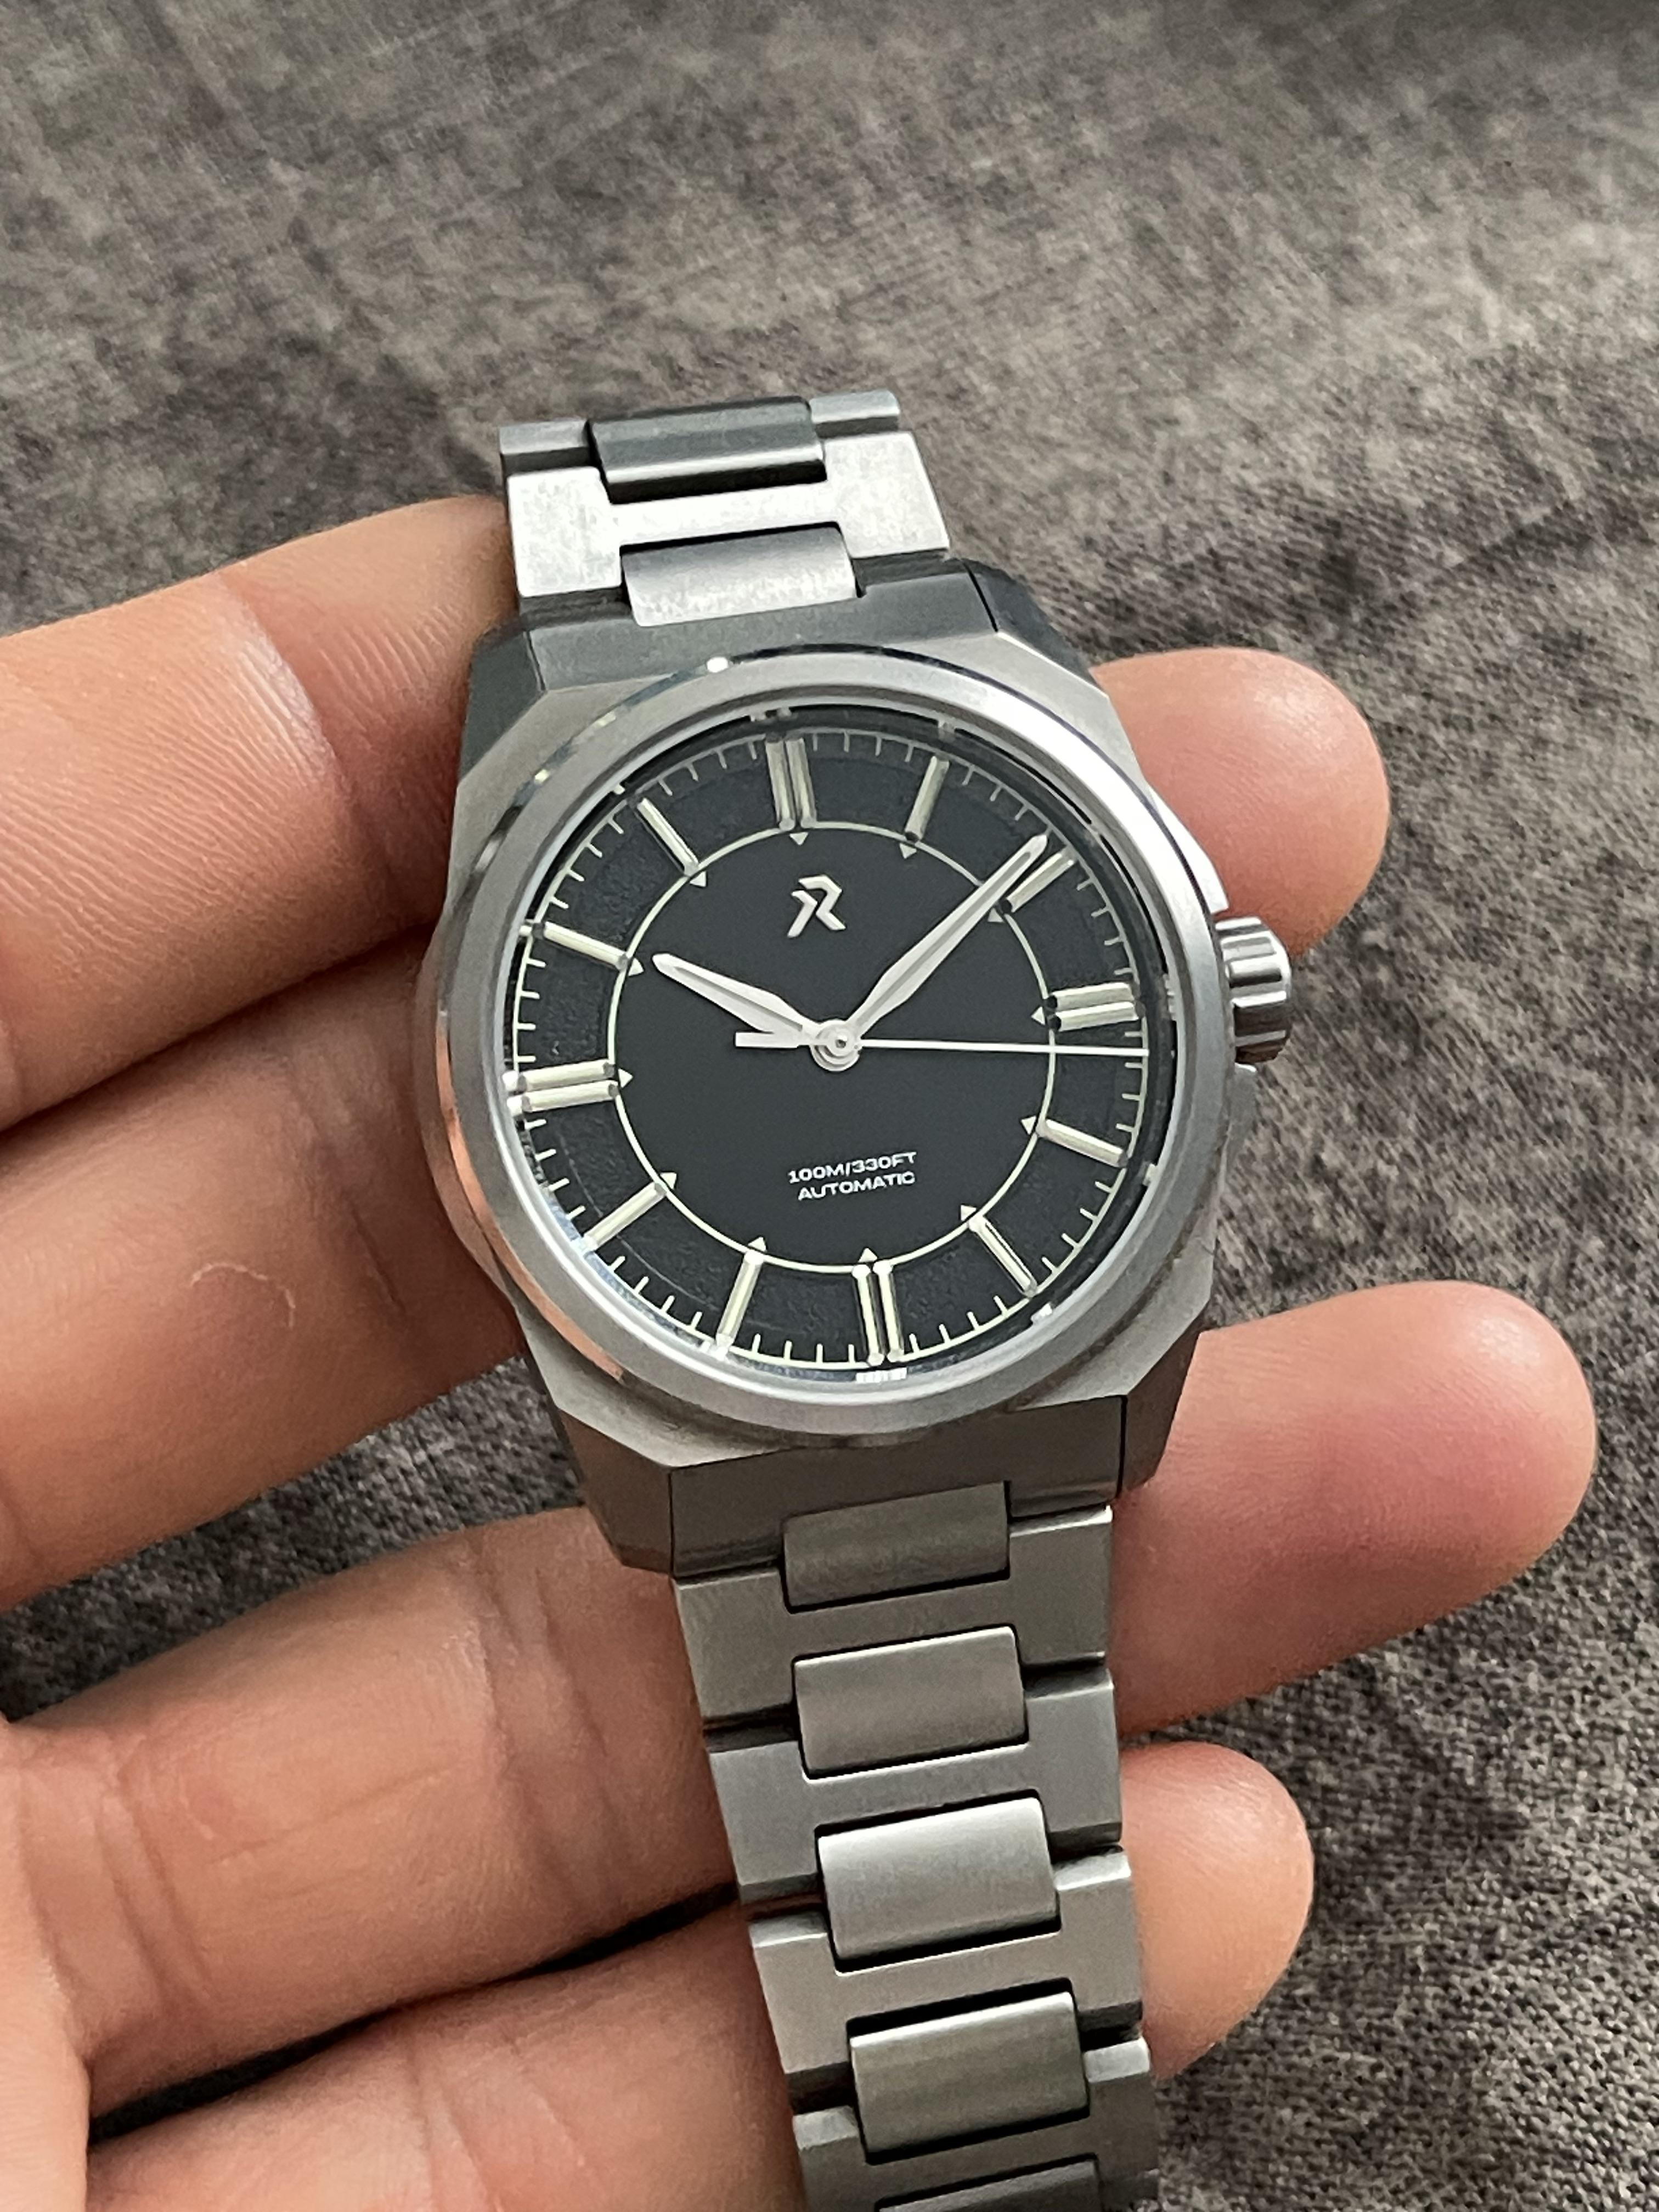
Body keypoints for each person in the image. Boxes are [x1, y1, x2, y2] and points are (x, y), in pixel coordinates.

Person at [0, 497, 1595, 2208]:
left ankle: (984, 2131)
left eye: (850, 1032)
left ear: (1225, 991)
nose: (836, 1047)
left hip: (1033, 1366)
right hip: (738, 1397)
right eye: (813, 1038)